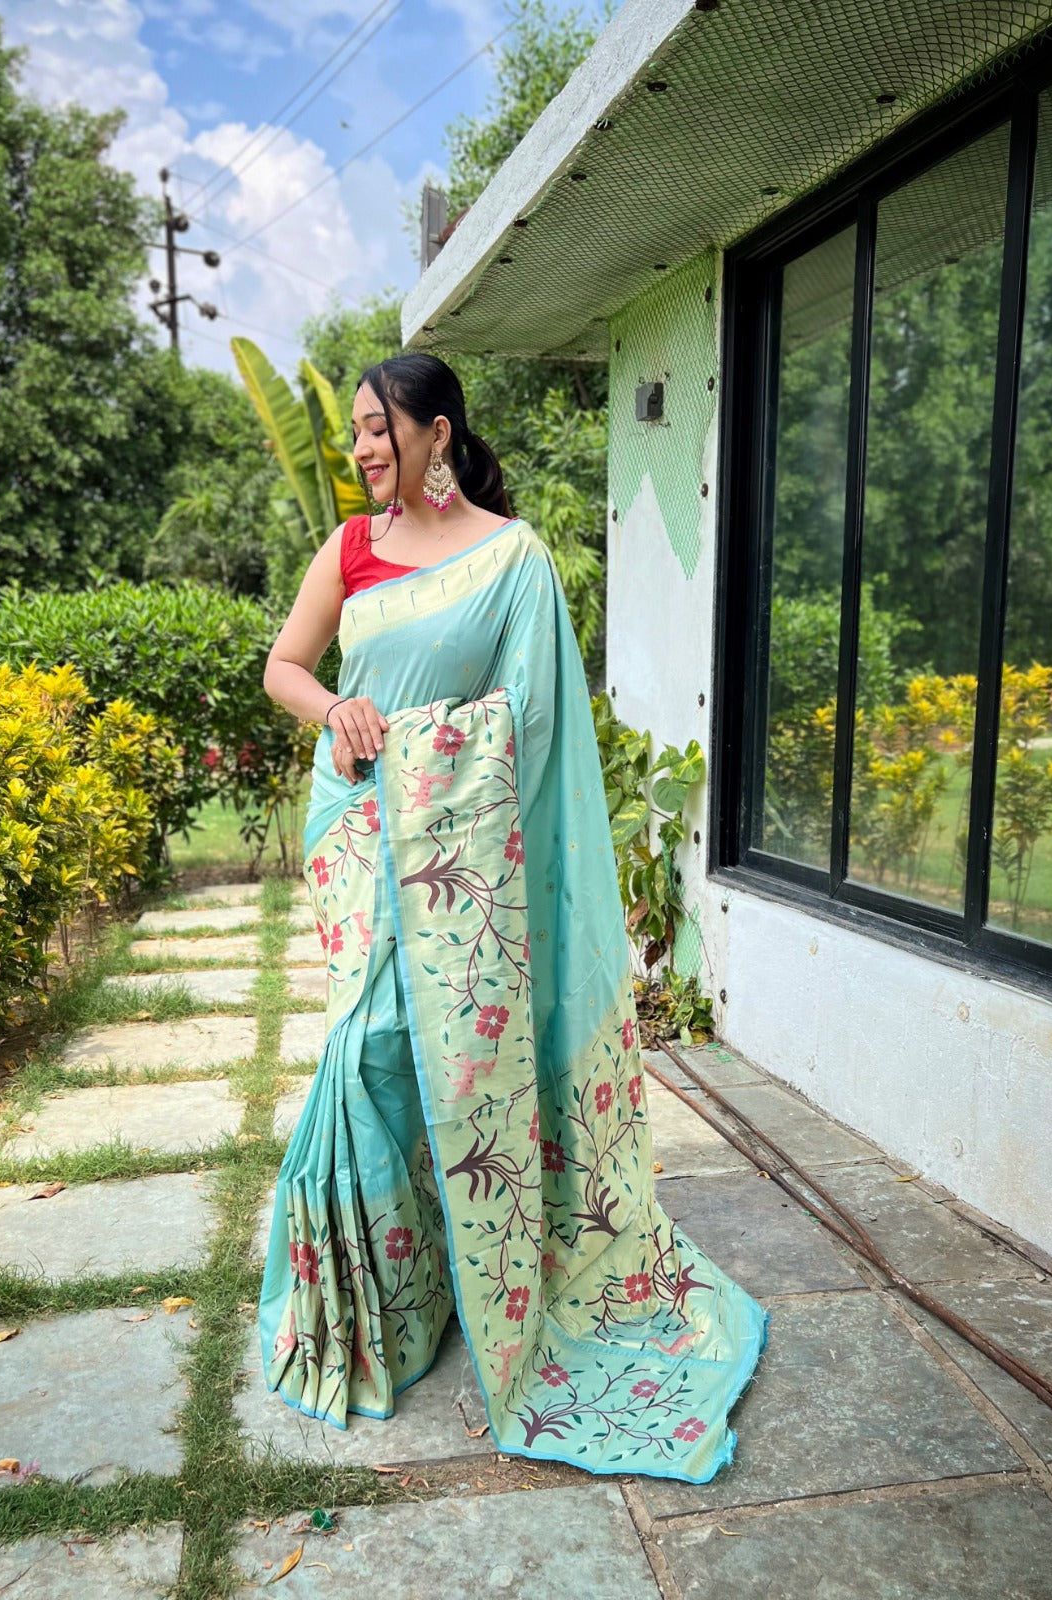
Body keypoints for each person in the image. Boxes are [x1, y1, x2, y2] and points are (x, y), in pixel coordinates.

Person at [258, 352, 768, 1480]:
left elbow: (529, 722)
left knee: (422, 1058)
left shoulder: (512, 557)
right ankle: (381, 1300)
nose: (362, 450)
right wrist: (337, 704)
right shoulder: (349, 549)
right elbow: (284, 668)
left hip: (456, 851)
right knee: (367, 1050)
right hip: (357, 832)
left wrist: (437, 755)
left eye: (380, 429)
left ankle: (445, 1277)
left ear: (438, 433)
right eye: (352, 434)